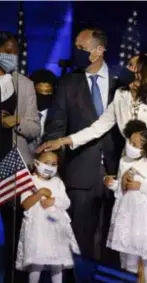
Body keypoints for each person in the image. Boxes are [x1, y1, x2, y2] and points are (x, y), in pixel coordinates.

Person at [37, 54, 147, 283]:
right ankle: (128, 278)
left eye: (133, 65)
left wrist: (140, 178)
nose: (128, 68)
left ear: (145, 73)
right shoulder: (121, 96)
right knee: (129, 231)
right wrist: (64, 141)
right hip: (130, 171)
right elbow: (98, 127)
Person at [41, 27, 123, 265]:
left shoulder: (123, 81)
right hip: (80, 171)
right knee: (80, 240)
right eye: (75, 47)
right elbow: (56, 128)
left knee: (114, 241)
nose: (76, 52)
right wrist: (50, 167)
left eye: (81, 48)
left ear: (99, 50)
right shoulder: (67, 83)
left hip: (118, 171)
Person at [0, 31, 40, 283]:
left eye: (15, 52)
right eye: (7, 51)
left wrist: (17, 122)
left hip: (13, 164)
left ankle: (15, 278)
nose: (12, 56)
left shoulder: (24, 84)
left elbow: (35, 127)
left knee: (16, 230)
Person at [105, 120, 147, 283]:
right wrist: (115, 184)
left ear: (146, 149)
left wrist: (141, 186)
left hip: (145, 220)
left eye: (135, 144)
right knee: (128, 259)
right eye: (129, 142)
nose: (130, 146)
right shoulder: (124, 161)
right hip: (127, 218)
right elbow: (120, 188)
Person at [15, 150, 80, 283]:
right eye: (46, 163)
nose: (49, 167)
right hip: (37, 229)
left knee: (57, 262)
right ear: (36, 163)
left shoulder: (58, 182)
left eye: (53, 164)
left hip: (55, 228)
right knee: (36, 262)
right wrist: (39, 194)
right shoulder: (29, 181)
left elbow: (66, 202)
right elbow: (25, 204)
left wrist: (54, 201)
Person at [28, 69, 57, 154]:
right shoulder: (21, 112)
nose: (43, 96)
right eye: (39, 92)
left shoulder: (58, 116)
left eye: (48, 92)